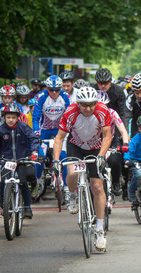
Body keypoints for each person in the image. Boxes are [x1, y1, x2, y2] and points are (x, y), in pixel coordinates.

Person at [52, 86, 113, 251]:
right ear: (77, 103)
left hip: (95, 148)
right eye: (84, 105)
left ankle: (100, 231)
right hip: (76, 146)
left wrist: (101, 156)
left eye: (91, 104)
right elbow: (59, 138)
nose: (88, 108)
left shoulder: (103, 110)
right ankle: (72, 195)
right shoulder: (70, 112)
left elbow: (108, 135)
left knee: (97, 186)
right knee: (72, 173)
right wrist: (56, 160)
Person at [0, 104, 39, 218]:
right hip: (6, 160)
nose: (11, 120)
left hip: (22, 160)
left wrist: (34, 152)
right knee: (4, 182)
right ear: (4, 117)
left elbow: (33, 138)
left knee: (23, 181)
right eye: (8, 117)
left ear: (17, 118)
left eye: (13, 117)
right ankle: (5, 206)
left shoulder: (23, 127)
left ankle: (27, 207)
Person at [97, 90, 130, 196]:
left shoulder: (112, 112)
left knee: (115, 160)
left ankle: (116, 182)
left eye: (104, 105)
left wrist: (125, 143)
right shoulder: (90, 114)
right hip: (95, 142)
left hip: (111, 141)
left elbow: (123, 130)